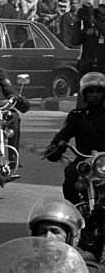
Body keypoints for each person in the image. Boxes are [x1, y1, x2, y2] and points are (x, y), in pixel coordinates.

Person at [45, 72, 105, 205]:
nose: (95, 95)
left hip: (103, 160)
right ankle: (75, 211)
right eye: (91, 91)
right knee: (71, 176)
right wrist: (56, 145)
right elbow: (64, 134)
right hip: (85, 158)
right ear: (85, 94)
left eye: (98, 91)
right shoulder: (77, 116)